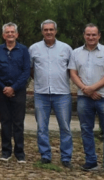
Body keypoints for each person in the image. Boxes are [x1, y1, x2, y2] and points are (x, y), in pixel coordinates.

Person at [69, 24, 104, 174]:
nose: (91, 37)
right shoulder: (76, 52)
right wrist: (87, 90)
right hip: (85, 98)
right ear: (84, 35)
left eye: (94, 35)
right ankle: (90, 161)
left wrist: (93, 88)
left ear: (99, 36)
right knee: (86, 130)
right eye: (88, 34)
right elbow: (73, 74)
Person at [29, 20, 74, 168]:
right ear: (42, 32)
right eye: (46, 30)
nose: (48, 32)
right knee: (42, 127)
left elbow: (71, 70)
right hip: (41, 94)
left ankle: (66, 157)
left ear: (56, 31)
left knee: (65, 127)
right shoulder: (34, 49)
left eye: (51, 30)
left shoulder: (66, 48)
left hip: (62, 93)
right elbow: (30, 69)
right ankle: (45, 155)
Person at [0, 23, 31, 163]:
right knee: (5, 121)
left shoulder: (23, 50)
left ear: (17, 34)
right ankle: (6, 151)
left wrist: (14, 88)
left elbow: (26, 71)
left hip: (19, 91)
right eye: (7, 32)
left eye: (12, 32)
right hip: (2, 91)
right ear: (3, 35)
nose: (10, 34)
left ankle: (20, 152)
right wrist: (4, 87)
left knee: (18, 122)